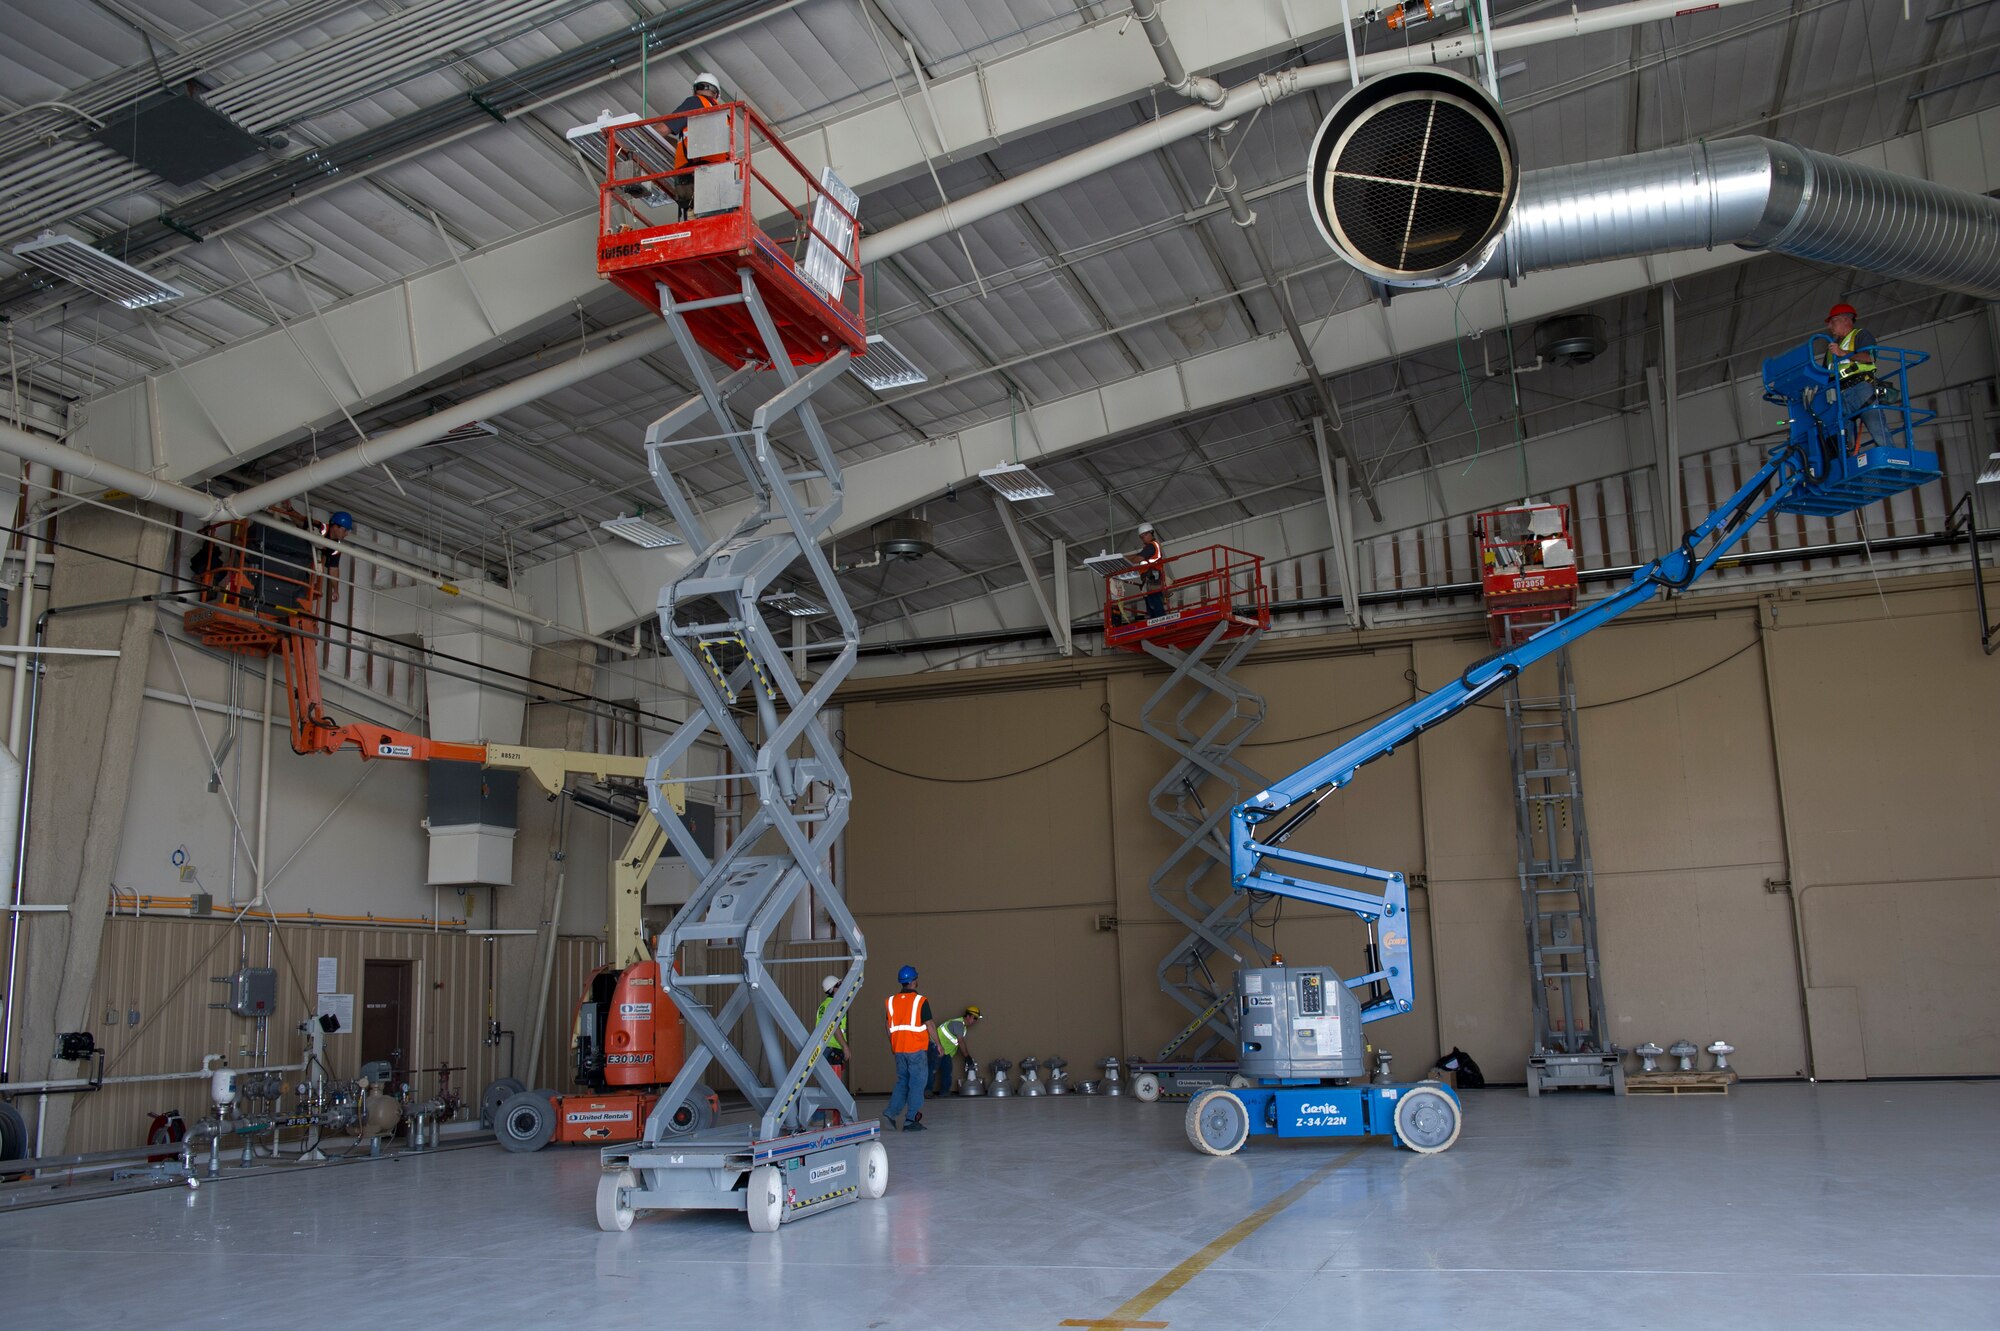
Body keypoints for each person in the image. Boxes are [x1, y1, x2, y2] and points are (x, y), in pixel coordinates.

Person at [1819, 303, 1888, 454]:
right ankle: (1848, 467)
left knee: (1878, 430)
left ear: (1845, 319)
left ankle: (1891, 459)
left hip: (1860, 388)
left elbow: (1869, 357)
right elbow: (1824, 374)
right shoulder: (1831, 349)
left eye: (1833, 321)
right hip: (1839, 394)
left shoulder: (1860, 335)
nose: (1830, 326)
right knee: (1843, 442)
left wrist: (1843, 353)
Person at [668, 73, 726, 219]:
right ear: (717, 94)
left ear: (695, 90)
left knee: (694, 223)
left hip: (697, 177)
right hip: (720, 179)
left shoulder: (695, 102)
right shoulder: (723, 114)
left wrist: (641, 134)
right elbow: (689, 143)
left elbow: (664, 128)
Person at [883, 964, 931, 1131]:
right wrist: (938, 1044)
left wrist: (893, 1045)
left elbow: (888, 1027)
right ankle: (910, 1120)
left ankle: (891, 1112)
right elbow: (929, 1024)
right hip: (916, 1049)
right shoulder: (920, 1001)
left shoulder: (891, 1001)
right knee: (917, 1084)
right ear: (913, 981)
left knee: (903, 1082)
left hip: (899, 1050)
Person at [929, 1005, 981, 1097]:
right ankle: (927, 1091)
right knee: (932, 1070)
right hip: (936, 1048)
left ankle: (944, 1092)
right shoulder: (958, 1024)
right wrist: (967, 1057)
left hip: (945, 1052)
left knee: (947, 1071)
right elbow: (961, 1042)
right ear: (968, 1016)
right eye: (974, 1018)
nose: (975, 1021)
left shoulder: (963, 1027)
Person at [816, 974, 848, 1082]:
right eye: (839, 985)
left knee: (826, 1084)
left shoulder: (823, 1005)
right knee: (834, 1086)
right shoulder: (834, 1005)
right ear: (834, 989)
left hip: (824, 1047)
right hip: (833, 1047)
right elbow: (835, 1027)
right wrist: (845, 1046)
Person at [1133, 521, 1166, 619]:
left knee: (1155, 602)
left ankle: (1159, 620)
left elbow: (1138, 558)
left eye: (1144, 535)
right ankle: (1156, 620)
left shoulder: (1151, 546)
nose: (1143, 538)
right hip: (1149, 579)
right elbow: (1138, 556)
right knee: (1152, 602)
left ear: (1151, 533)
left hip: (1153, 578)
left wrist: (1124, 561)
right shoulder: (1150, 547)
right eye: (1141, 537)